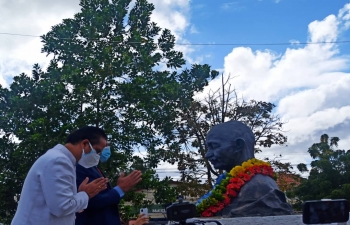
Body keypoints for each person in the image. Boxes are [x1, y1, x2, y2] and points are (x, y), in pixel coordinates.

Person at [11, 126, 109, 225]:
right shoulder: (59, 161)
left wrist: (78, 195)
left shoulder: (63, 160)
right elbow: (62, 207)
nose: (97, 156)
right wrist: (85, 194)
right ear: (84, 143)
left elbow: (57, 201)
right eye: (97, 151)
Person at [75, 143, 142, 225]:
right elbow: (92, 201)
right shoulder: (80, 168)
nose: (107, 149)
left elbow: (104, 199)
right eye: (105, 145)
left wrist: (118, 190)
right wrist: (119, 189)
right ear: (86, 145)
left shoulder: (94, 168)